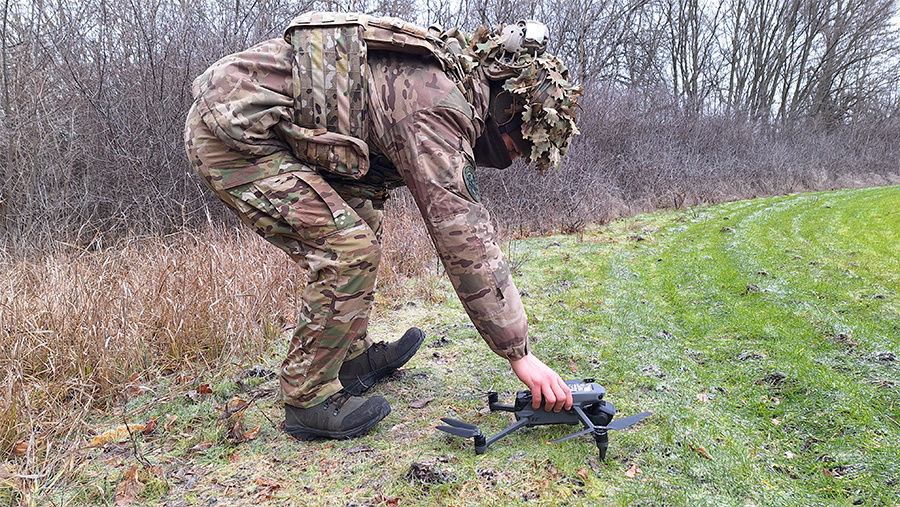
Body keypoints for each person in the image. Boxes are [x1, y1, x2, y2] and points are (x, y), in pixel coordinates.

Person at [184, 12, 581, 440]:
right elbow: (462, 231)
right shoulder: (435, 104)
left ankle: (349, 359)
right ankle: (308, 396)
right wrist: (519, 353)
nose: (514, 158)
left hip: (275, 130)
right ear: (505, 110)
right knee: (348, 248)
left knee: (363, 224)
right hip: (236, 134)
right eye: (517, 147)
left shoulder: (454, 83)